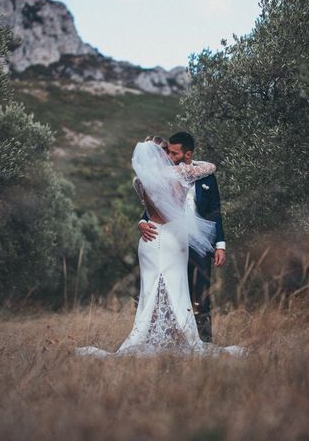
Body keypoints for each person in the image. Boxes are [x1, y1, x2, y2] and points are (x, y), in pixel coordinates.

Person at [75, 138, 244, 357]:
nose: (170, 157)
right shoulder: (180, 175)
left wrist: (143, 222)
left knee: (151, 290)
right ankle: (185, 338)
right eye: (166, 153)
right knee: (179, 289)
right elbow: (210, 167)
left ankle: (148, 335)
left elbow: (149, 209)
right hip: (174, 238)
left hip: (150, 240)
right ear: (161, 155)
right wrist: (187, 164)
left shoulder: (140, 180)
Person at [139, 132, 224, 342]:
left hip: (200, 243)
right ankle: (176, 339)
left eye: (175, 153)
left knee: (202, 293)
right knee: (174, 291)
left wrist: (220, 244)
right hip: (171, 241)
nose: (170, 156)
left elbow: (215, 212)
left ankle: (203, 340)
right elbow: (153, 208)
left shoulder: (205, 177)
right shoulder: (165, 174)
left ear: (188, 153)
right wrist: (142, 222)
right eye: (168, 152)